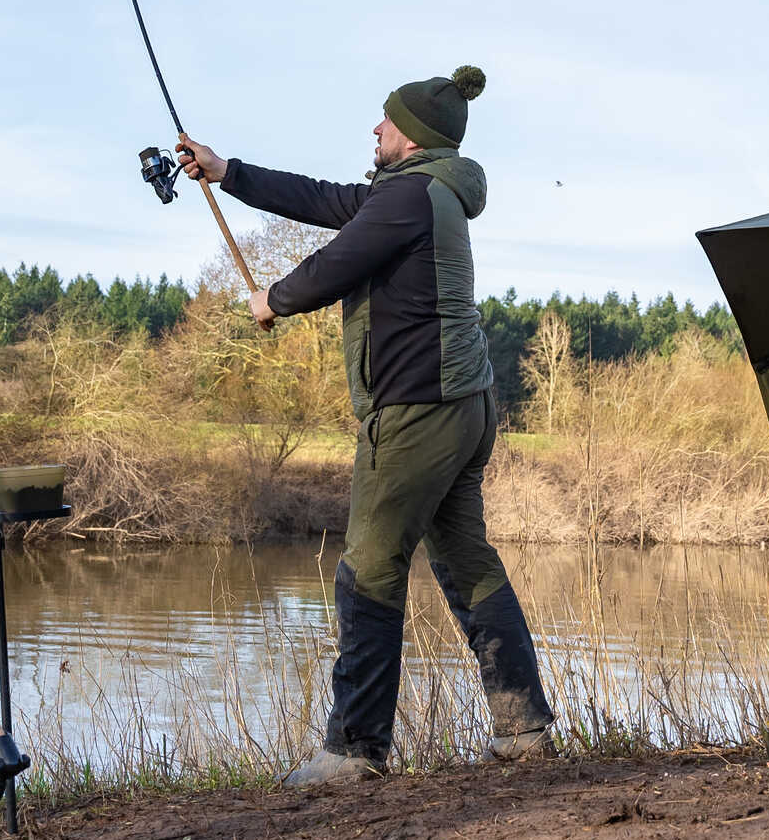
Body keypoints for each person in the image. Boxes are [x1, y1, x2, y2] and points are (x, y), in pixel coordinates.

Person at [178, 65, 555, 790]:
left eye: (385, 121)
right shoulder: (425, 191)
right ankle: (524, 728)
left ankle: (353, 751)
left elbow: (340, 261)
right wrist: (229, 173)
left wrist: (274, 299)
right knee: (468, 562)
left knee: (368, 570)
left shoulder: (411, 194)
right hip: (464, 405)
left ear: (412, 134)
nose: (375, 129)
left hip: (417, 410)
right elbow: (327, 202)